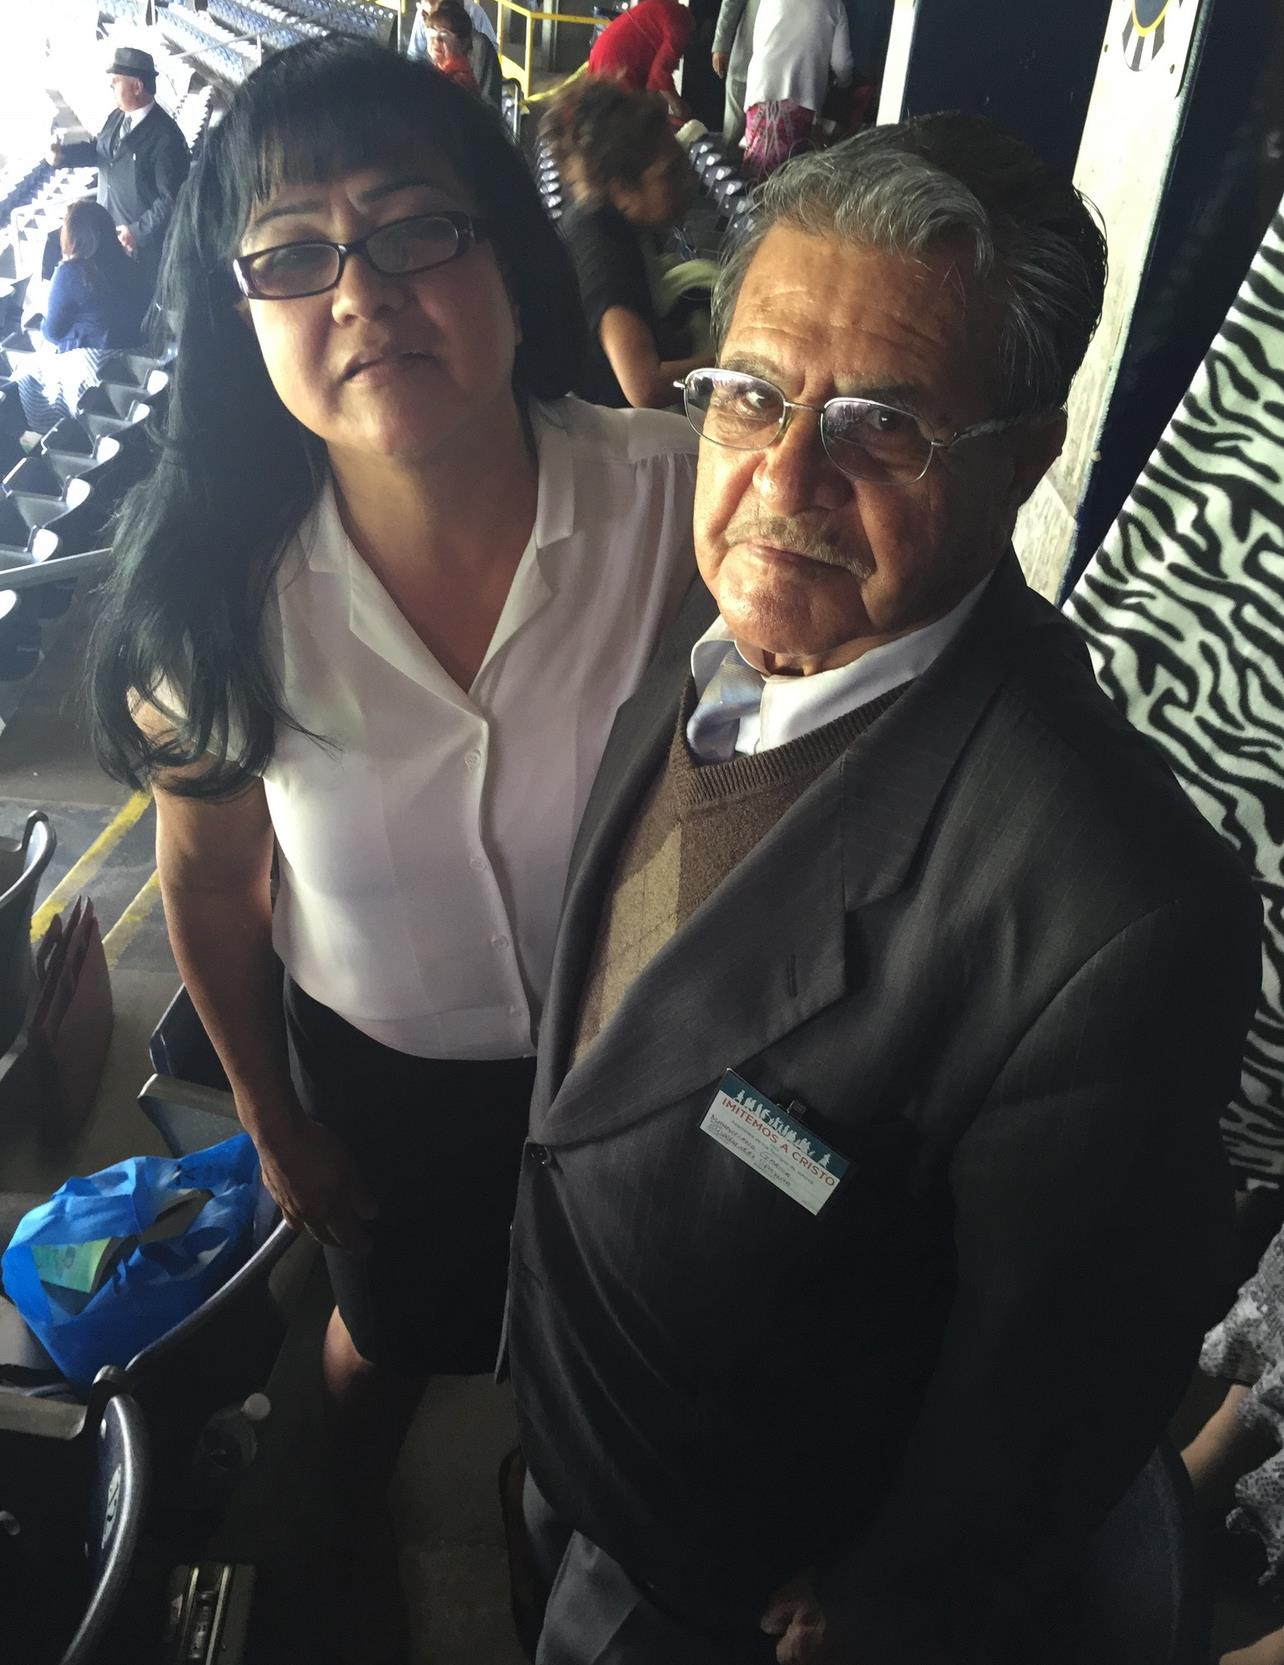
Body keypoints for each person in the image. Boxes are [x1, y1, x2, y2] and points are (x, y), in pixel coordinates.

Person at [505, 113, 1263, 1664]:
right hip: (577, 1441)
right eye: (755, 396)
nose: (785, 474)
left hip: (726, 1590)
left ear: (1029, 454)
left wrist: (881, 1606)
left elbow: (1061, 1399)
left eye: (882, 426)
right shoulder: (719, 652)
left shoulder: (1115, 910)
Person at [88, 37, 697, 1665]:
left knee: (621, 1340)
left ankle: (548, 1525)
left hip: (644, 1065)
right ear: (242, 321)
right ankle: (324, 1532)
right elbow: (210, 886)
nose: (358, 288)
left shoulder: (677, 509)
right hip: (386, 1073)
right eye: (290, 254)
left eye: (415, 225)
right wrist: (275, 1121)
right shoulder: (219, 612)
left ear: (505, 252)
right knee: (388, 1336)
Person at [546, 78, 711, 409]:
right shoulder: (604, 252)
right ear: (622, 189)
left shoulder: (609, 218)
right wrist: (731, 365)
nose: (688, 180)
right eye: (669, 173)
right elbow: (644, 387)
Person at [49, 46, 189, 296]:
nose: (111, 87)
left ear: (137, 86)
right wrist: (63, 155)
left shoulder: (166, 137)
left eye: (116, 81)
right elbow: (99, 150)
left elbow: (172, 199)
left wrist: (136, 232)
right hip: (109, 235)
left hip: (142, 249)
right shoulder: (117, 116)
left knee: (139, 304)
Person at [16, 198, 147, 432]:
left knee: (26, 377)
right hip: (135, 365)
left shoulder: (69, 273)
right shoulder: (134, 267)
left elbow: (53, 332)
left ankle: (40, 440)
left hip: (93, 373)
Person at [741, 0, 852, 179]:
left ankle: (744, 203)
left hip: (761, 85)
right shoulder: (834, 5)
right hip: (801, 90)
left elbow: (758, 41)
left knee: (755, 161)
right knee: (787, 171)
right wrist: (845, 83)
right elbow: (842, 64)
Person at [587, 0, 693, 121]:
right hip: (615, 66)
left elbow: (653, 85)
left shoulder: (663, 8)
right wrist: (679, 107)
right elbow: (659, 75)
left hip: (603, 57)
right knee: (629, 125)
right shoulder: (681, 23)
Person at [418, 0, 503, 105]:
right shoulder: (437, 69)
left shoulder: (459, 80)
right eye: (431, 33)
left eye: (444, 35)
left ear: (462, 43)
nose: (436, 40)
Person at [710, 0, 762, 148]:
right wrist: (721, 44)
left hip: (784, 69)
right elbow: (731, 3)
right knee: (731, 135)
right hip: (746, 56)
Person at [407, 0, 499, 60]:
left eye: (444, 34)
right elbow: (414, 54)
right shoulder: (422, 11)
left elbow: (491, 50)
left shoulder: (473, 11)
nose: (435, 40)